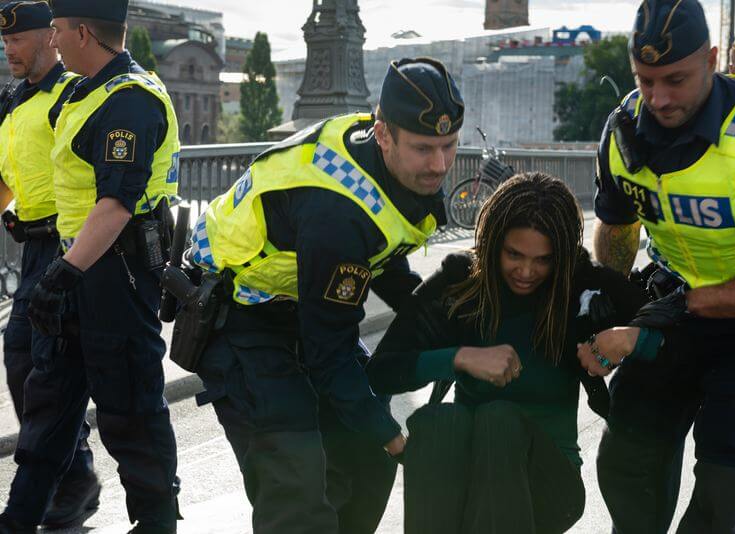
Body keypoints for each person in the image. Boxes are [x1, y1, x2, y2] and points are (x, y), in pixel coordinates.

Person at [182, 57, 461, 533]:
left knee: (365, 459)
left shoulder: (380, 164)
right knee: (296, 480)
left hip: (302, 307)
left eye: (448, 146)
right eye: (423, 148)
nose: (439, 164)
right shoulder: (335, 213)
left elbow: (381, 250)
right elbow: (329, 353)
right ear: (383, 133)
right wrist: (397, 441)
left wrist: (448, 321)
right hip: (242, 320)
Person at [591, 0, 735, 532]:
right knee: (627, 461)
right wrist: (608, 304)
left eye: (676, 80)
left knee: (723, 495)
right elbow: (616, 228)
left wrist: (687, 305)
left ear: (711, 60)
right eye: (645, 80)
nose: (659, 98)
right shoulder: (623, 129)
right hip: (674, 307)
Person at [365, 173, 654, 534]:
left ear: (561, 257)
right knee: (436, 422)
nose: (527, 271)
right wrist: (459, 358)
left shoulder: (583, 285)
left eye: (543, 260)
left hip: (550, 485)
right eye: (513, 254)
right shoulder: (460, 283)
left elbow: (671, 336)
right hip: (470, 476)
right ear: (492, 244)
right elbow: (381, 371)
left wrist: (623, 342)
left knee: (498, 419)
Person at [0, 0, 182, 532]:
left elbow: (116, 204)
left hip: (115, 275)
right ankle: (19, 518)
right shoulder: (85, 93)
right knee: (49, 402)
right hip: (75, 266)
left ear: (82, 33)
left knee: (130, 410)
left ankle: (156, 522)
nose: (53, 41)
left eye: (57, 30)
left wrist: (63, 274)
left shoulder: (131, 99)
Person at [0, 1, 101, 529]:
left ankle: (64, 483)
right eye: (4, 41)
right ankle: (76, 473)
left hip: (70, 248)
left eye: (18, 40)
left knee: (49, 371)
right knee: (20, 360)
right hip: (33, 248)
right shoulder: (13, 100)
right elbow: (6, 175)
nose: (8, 49)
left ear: (50, 38)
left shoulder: (74, 94)